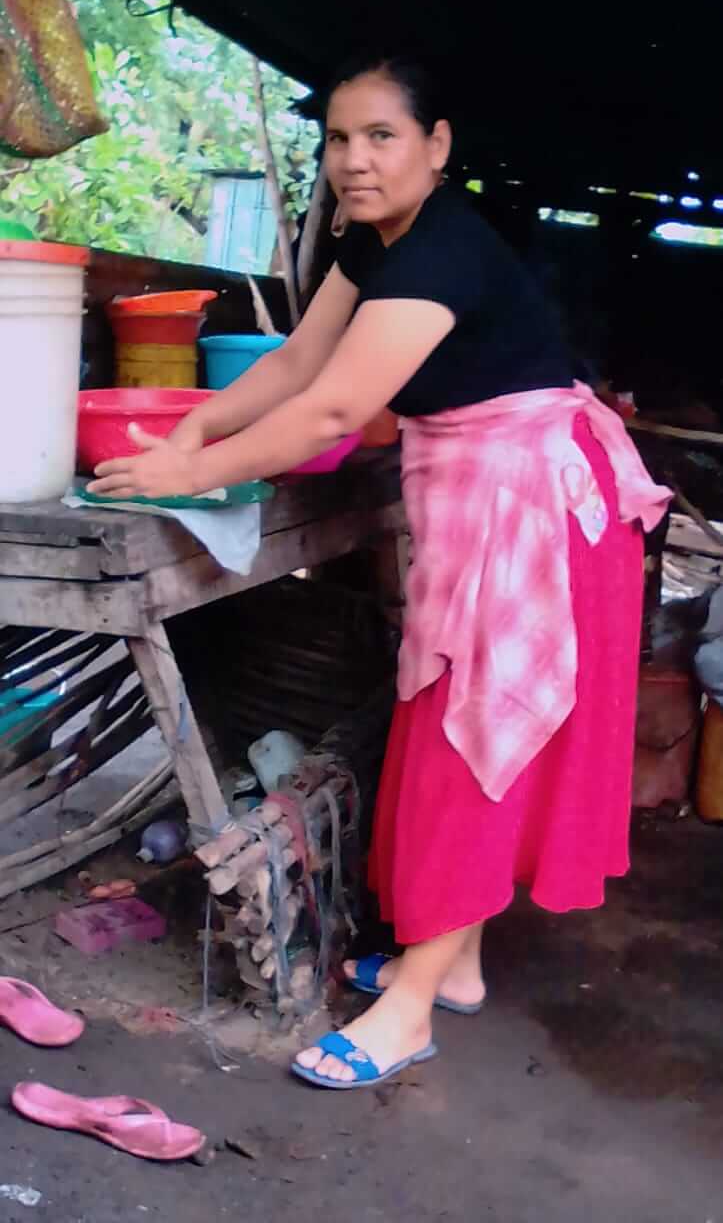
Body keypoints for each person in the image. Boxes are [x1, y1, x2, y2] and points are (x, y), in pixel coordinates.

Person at [89, 53, 671, 1091]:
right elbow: (295, 363)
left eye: (381, 136)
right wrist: (193, 430)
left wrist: (191, 474)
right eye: (337, 139)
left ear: (437, 146)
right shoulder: (378, 241)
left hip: (538, 511)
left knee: (473, 736)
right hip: (491, 494)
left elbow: (332, 411)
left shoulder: (442, 250)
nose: (353, 160)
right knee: (470, 727)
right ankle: (455, 965)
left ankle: (407, 1011)